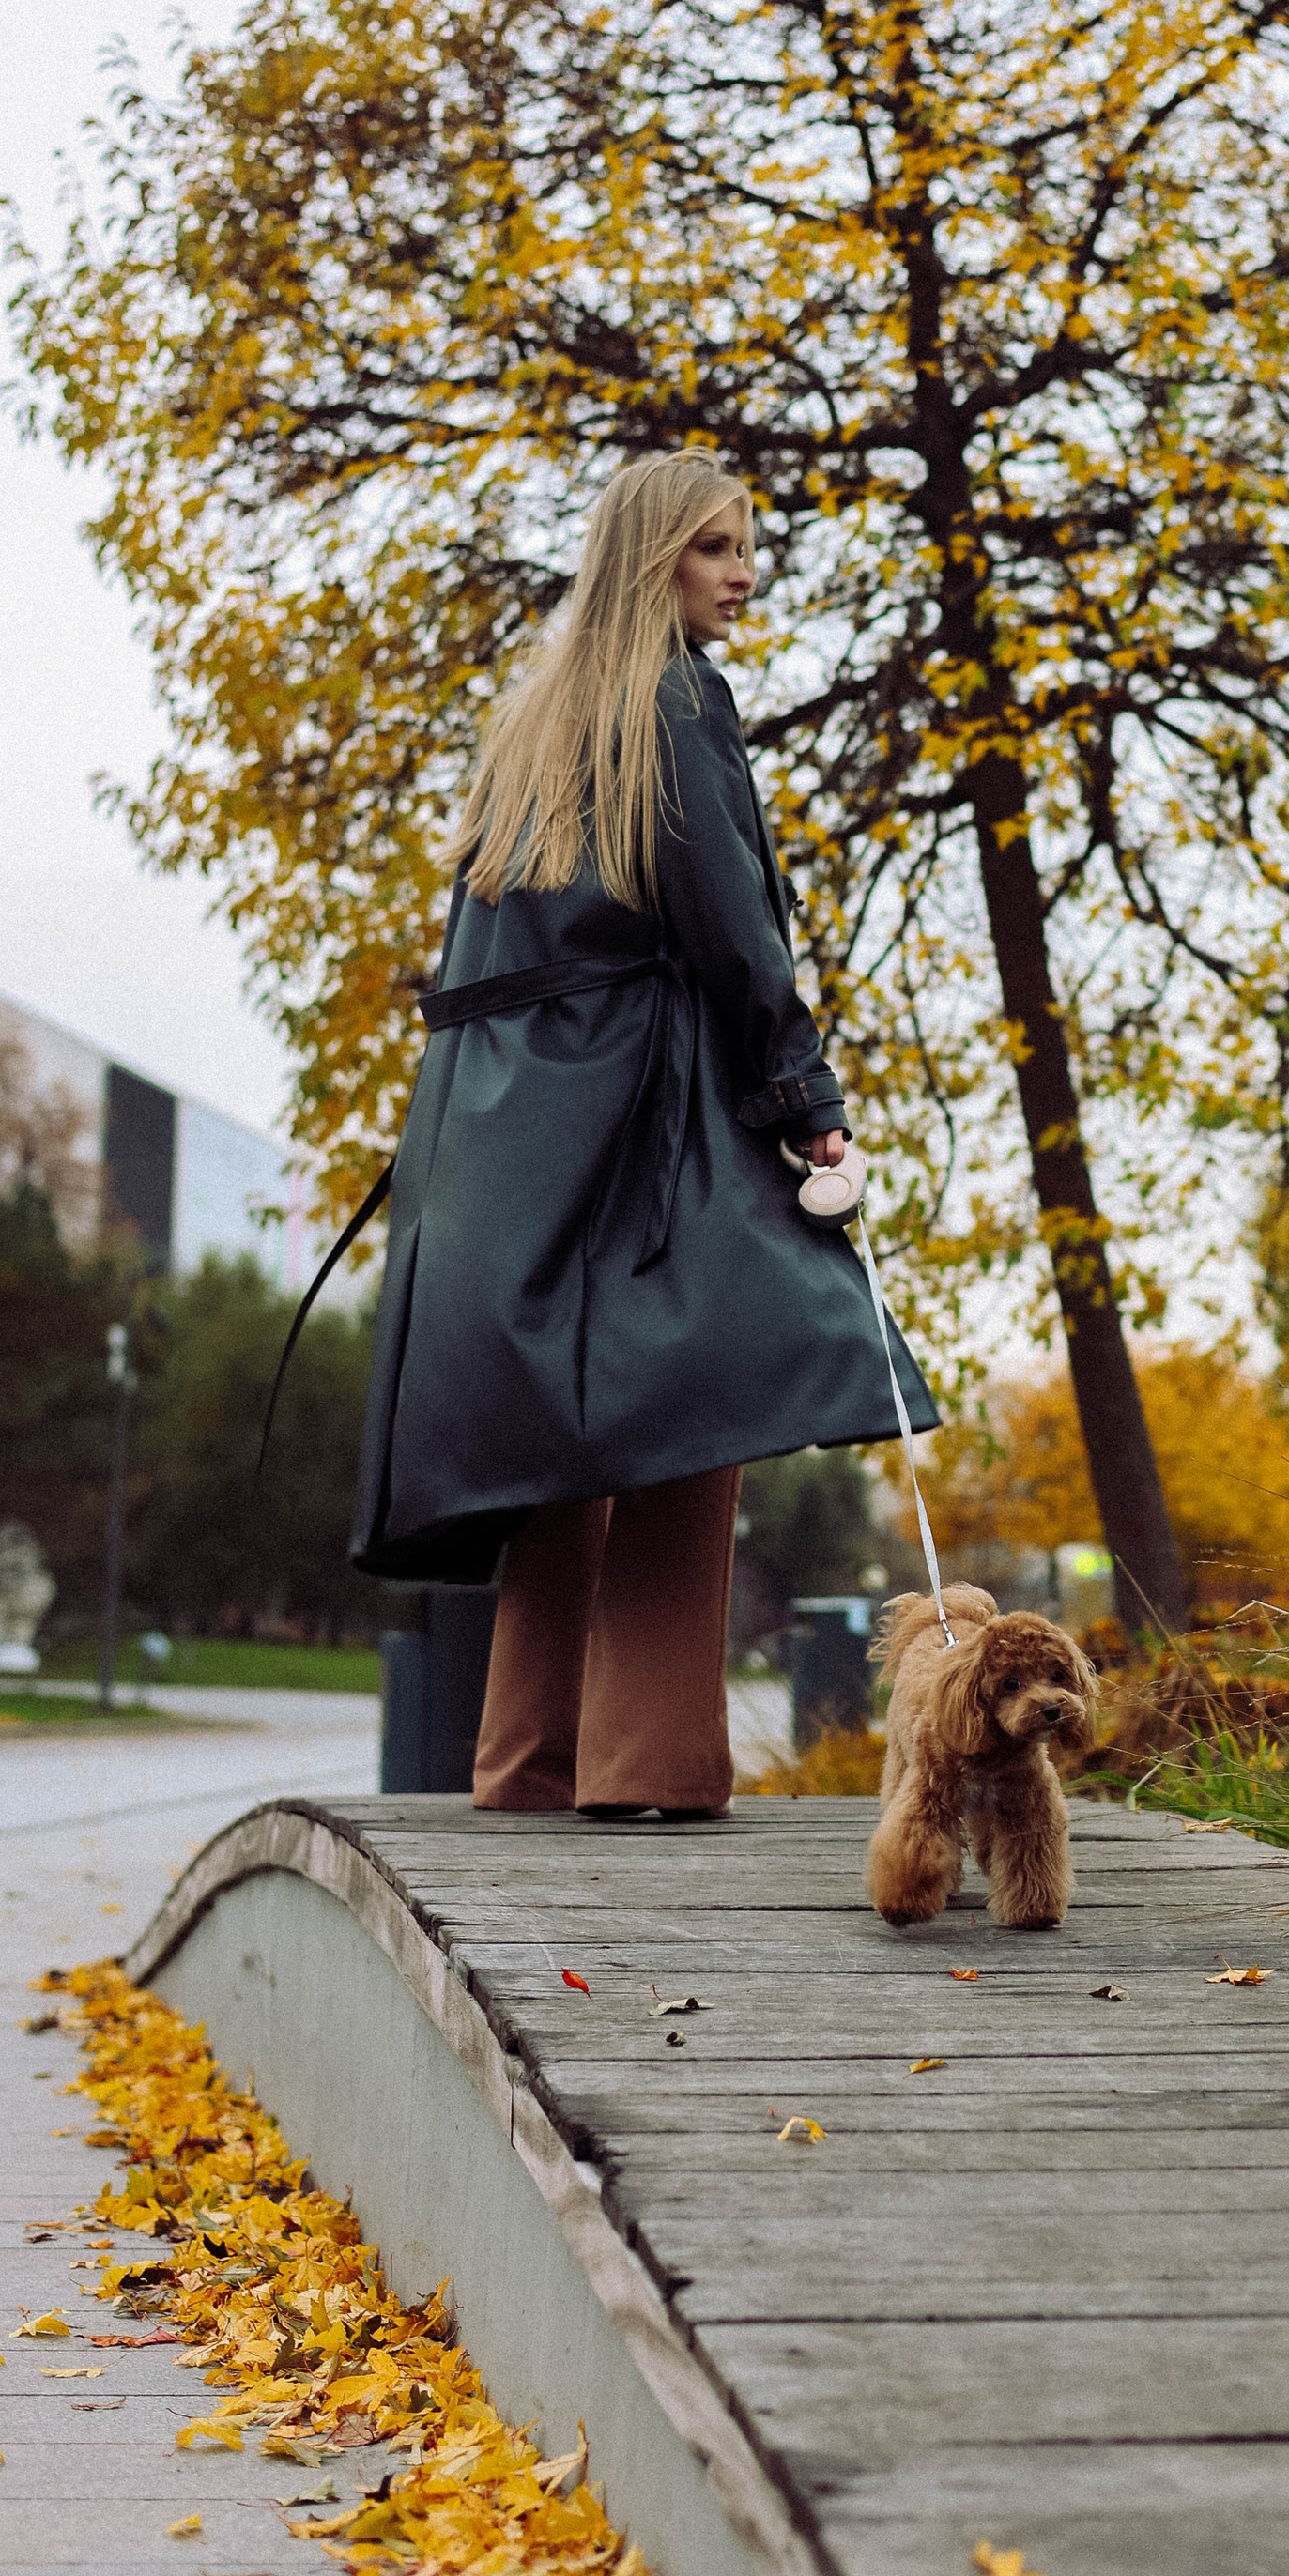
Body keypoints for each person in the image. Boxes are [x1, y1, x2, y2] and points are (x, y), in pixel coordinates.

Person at [348, 453, 935, 1817]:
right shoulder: (680, 698)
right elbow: (736, 932)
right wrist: (808, 1105)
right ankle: (651, 1770)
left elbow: (479, 956)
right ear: (650, 560)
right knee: (695, 1406)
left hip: (510, 1141)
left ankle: (525, 1765)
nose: (744, 574)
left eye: (746, 548)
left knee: (561, 1441)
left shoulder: (533, 726)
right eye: (715, 549)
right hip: (650, 1117)